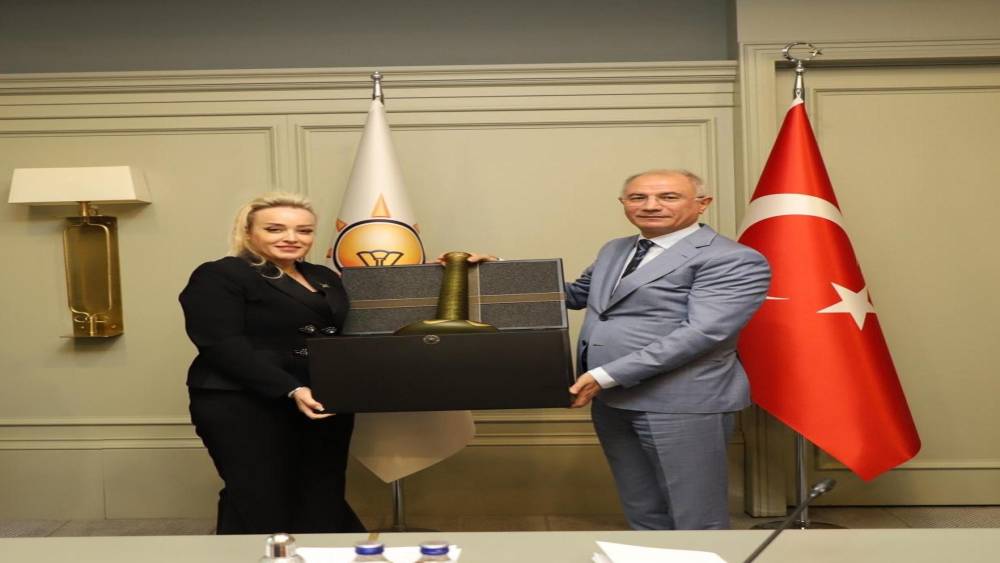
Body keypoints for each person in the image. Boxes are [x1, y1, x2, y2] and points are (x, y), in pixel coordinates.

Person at [566, 169, 771, 530]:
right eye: (638, 197)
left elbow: (702, 333)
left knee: (695, 517)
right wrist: (489, 274)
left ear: (702, 204)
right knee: (643, 509)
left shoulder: (733, 258)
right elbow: (574, 295)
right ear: (624, 203)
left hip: (682, 402)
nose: (651, 205)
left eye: (668, 197)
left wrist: (606, 375)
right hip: (612, 400)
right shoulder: (615, 249)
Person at [179, 192, 364, 534]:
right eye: (275, 229)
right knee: (258, 497)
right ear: (248, 233)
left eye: (304, 230)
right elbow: (221, 344)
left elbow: (380, 309)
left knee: (323, 492)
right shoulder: (221, 274)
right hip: (243, 403)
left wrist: (455, 270)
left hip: (321, 400)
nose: (292, 238)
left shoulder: (323, 275)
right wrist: (291, 389)